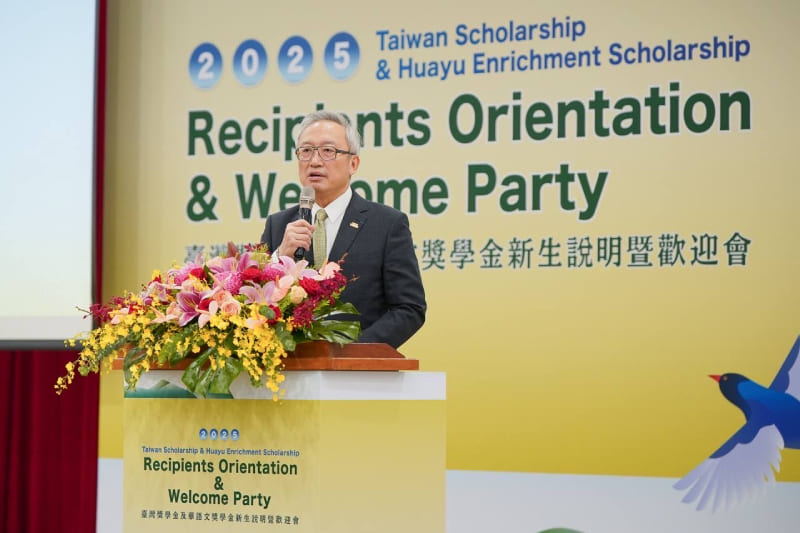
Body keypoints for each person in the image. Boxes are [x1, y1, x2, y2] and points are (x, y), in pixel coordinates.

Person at [260, 111, 426, 348]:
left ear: (353, 163)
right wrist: (279, 257)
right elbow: (256, 305)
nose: (314, 161)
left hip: (356, 377)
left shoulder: (387, 224)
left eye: (328, 151)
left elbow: (410, 308)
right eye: (306, 151)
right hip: (289, 374)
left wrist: (351, 352)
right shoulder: (278, 225)